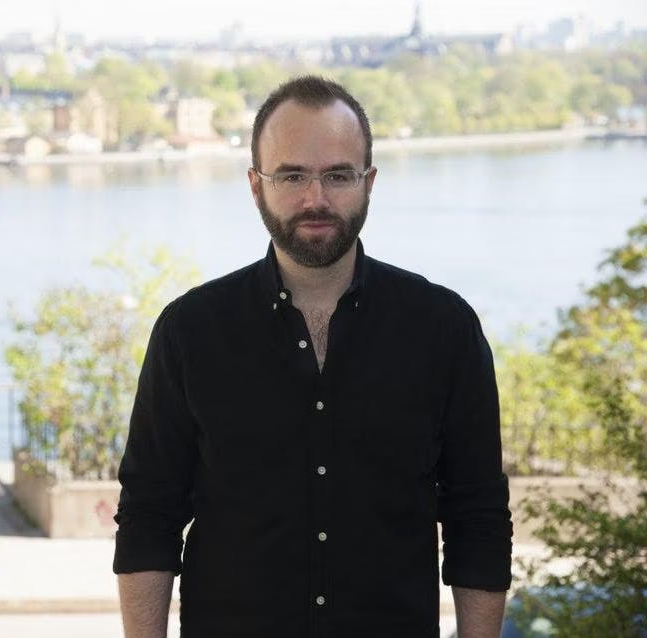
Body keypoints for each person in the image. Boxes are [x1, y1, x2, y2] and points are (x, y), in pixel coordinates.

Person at [113, 75, 513, 638]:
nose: (316, 198)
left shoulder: (443, 329)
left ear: (369, 182)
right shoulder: (189, 332)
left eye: (338, 175)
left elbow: (479, 518)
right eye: (293, 175)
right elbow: (149, 514)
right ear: (256, 186)